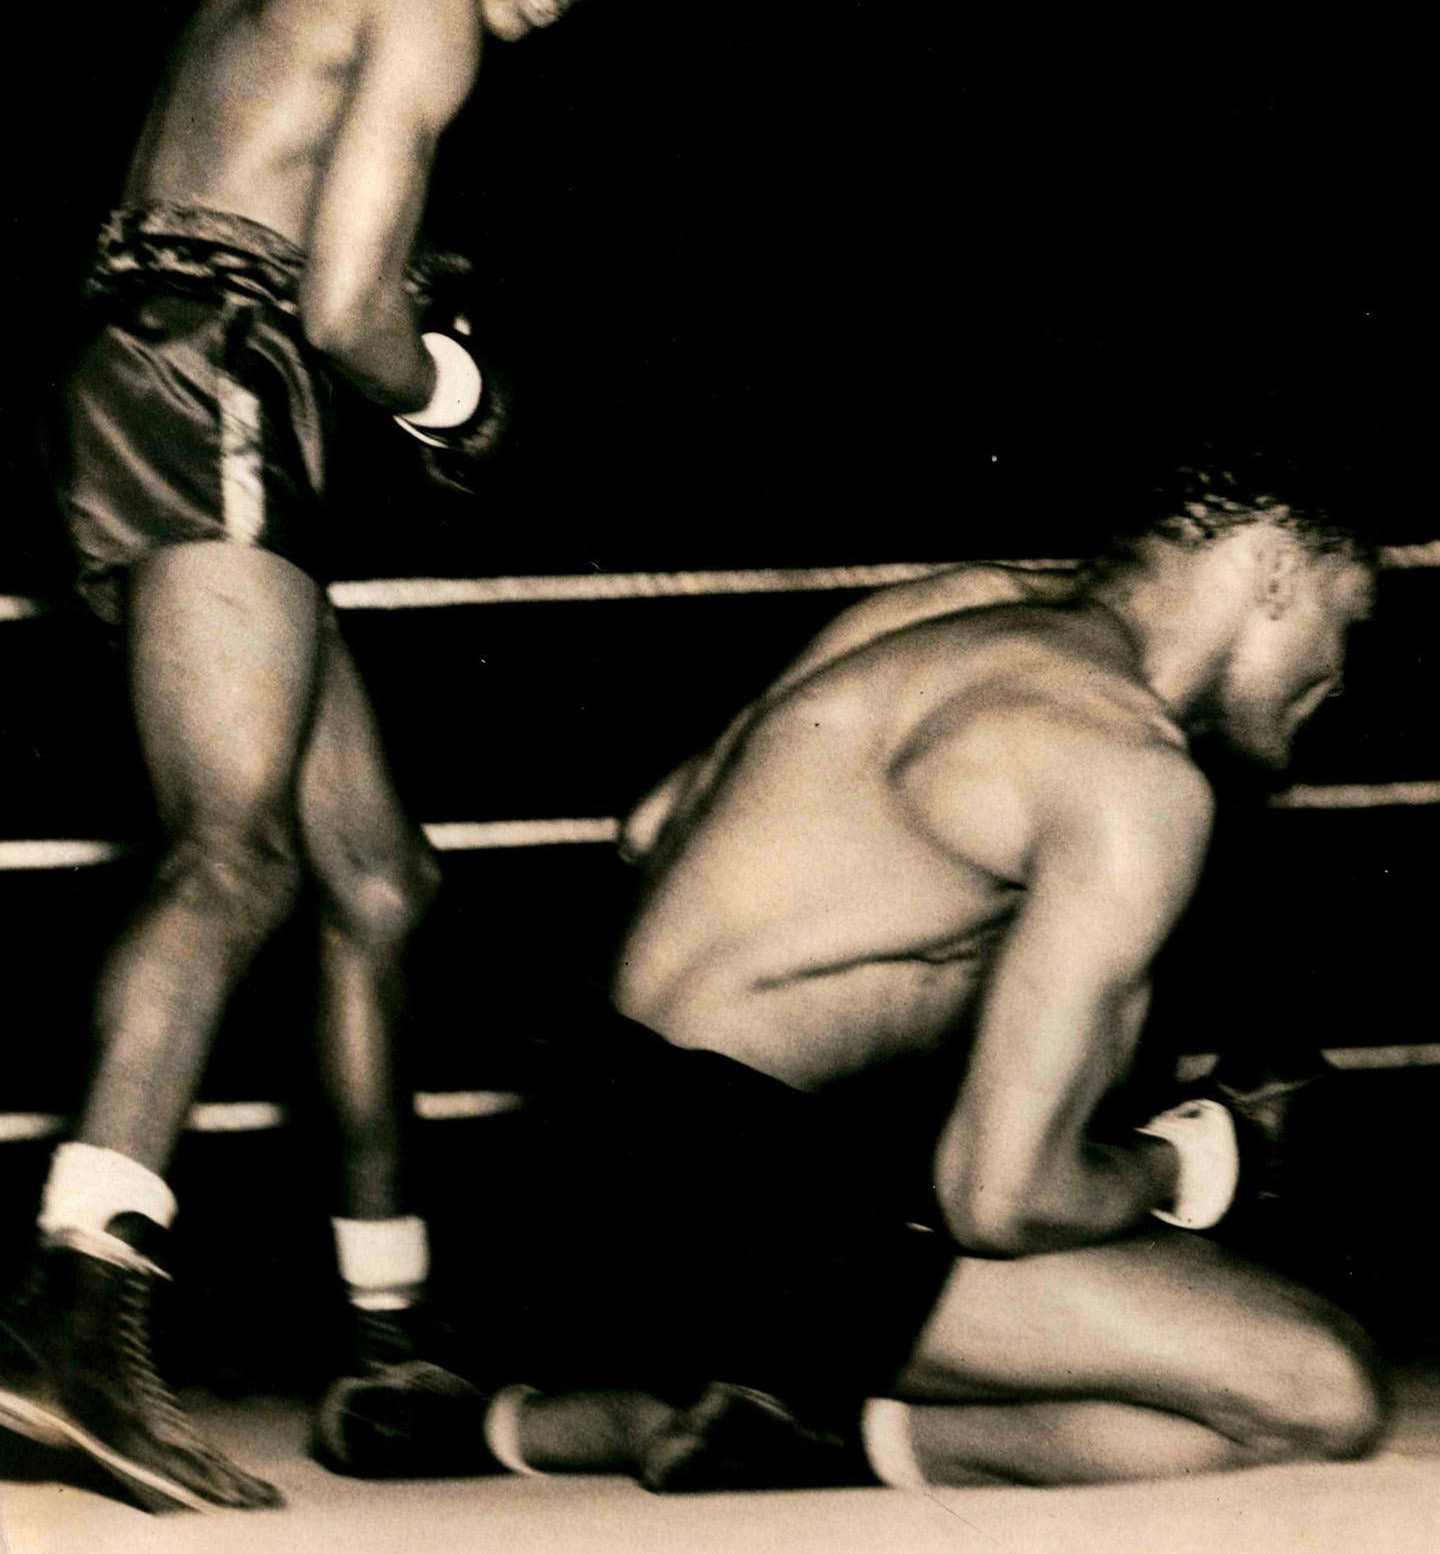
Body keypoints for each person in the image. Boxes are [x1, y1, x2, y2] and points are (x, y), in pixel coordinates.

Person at [320, 454, 1390, 1491]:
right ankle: (828, 1428)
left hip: (584, 1145)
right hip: (725, 1190)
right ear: (1274, 569)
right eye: (1352, 621)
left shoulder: (954, 606)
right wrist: (1198, 1158)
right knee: (1316, 1387)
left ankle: (504, 1423)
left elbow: (654, 825)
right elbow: (1002, 1202)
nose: (1340, 677)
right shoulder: (1129, 774)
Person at [0, 0, 634, 1513]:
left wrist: (370, 334)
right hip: (214, 379)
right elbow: (345, 303)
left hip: (166, 370)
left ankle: (386, 1343)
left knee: (376, 875)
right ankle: (71, 1319)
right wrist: (452, 392)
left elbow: (265, 230)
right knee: (236, 854)